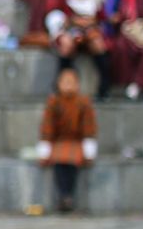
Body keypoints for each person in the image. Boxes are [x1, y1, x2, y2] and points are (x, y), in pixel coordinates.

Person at [36, 67, 99, 215]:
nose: (68, 85)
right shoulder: (54, 102)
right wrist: (45, 147)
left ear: (77, 84)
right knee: (59, 161)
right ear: (58, 84)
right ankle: (64, 196)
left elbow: (89, 127)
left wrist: (88, 148)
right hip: (59, 142)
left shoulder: (83, 103)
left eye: (71, 82)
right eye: (65, 82)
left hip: (76, 142)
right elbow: (47, 126)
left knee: (72, 161)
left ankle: (68, 195)